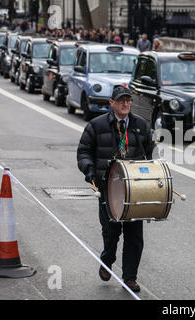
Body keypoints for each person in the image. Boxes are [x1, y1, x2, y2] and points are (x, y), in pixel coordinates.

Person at [77, 86, 155, 293]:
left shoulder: (141, 126)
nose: (126, 104)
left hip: (135, 189)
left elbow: (149, 151)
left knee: (134, 236)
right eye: (121, 100)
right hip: (108, 188)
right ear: (111, 103)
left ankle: (129, 277)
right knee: (111, 232)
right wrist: (89, 170)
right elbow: (83, 152)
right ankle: (107, 259)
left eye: (128, 100)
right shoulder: (96, 125)